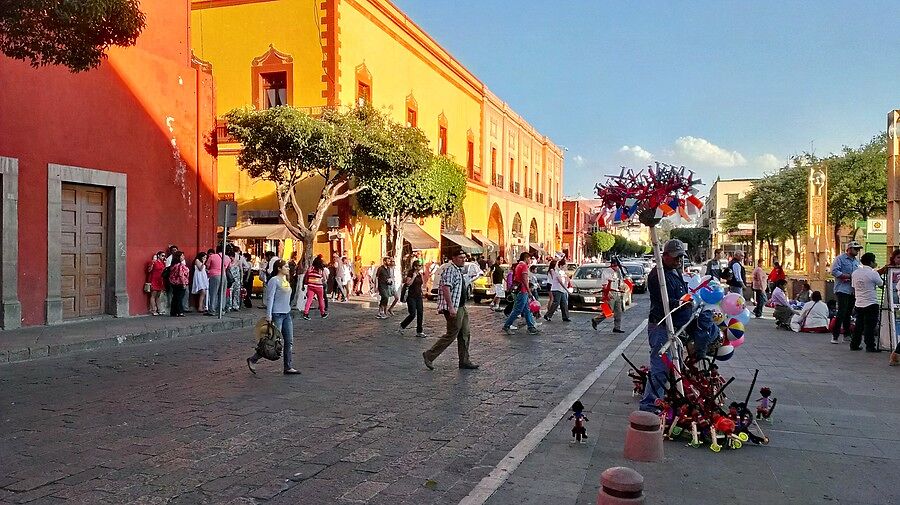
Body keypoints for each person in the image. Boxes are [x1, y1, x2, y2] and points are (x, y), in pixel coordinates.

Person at [640, 240, 691, 413]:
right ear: (665, 255)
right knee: (660, 367)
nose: (678, 261)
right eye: (676, 257)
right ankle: (649, 405)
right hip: (661, 325)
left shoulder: (674, 271)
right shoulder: (658, 275)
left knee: (674, 365)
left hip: (674, 325)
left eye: (680, 257)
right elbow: (665, 303)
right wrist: (681, 302)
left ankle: (667, 397)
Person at [422, 250, 478, 370]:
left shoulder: (458, 270)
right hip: (454, 308)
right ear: (453, 258)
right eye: (460, 257)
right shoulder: (450, 269)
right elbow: (446, 288)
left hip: (461, 306)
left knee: (465, 333)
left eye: (464, 257)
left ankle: (464, 360)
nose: (463, 259)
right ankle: (430, 355)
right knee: (452, 334)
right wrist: (451, 307)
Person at [247, 259, 300, 375]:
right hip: (277, 314)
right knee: (272, 341)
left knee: (289, 341)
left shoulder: (286, 280)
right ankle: (253, 359)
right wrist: (268, 315)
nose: (288, 268)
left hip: (286, 314)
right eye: (285, 266)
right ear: (279, 268)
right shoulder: (274, 281)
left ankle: (288, 366)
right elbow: (270, 298)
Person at [830, 241, 862, 344]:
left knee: (848, 313)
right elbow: (834, 271)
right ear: (849, 249)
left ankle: (847, 334)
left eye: (858, 249)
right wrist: (847, 276)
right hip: (842, 289)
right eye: (855, 249)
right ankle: (835, 335)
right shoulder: (840, 259)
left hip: (852, 290)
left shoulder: (857, 262)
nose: (857, 251)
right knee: (842, 312)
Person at [850, 252, 883, 352]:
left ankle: (854, 344)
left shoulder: (855, 273)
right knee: (870, 326)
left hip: (859, 303)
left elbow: (853, 287)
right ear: (871, 262)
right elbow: (881, 284)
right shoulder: (873, 273)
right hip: (871, 303)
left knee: (858, 325)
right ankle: (870, 346)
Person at [502, 252, 540, 335]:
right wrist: (529, 291)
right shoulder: (524, 266)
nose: (530, 260)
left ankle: (531, 327)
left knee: (526, 310)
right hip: (523, 291)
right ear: (526, 258)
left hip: (521, 290)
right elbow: (525, 280)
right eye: (530, 258)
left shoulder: (519, 265)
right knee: (517, 310)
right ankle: (507, 325)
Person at [592, 258, 625, 333]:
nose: (618, 268)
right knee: (609, 310)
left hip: (617, 293)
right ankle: (596, 320)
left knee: (618, 311)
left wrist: (621, 288)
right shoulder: (606, 272)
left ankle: (617, 327)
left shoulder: (617, 272)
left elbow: (619, 282)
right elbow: (604, 284)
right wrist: (608, 293)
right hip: (610, 292)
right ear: (613, 265)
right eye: (616, 266)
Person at [399, 260, 426, 337]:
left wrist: (422, 292)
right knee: (412, 314)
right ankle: (402, 325)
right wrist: (413, 276)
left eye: (421, 265)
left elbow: (420, 284)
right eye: (419, 266)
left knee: (420, 313)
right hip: (411, 296)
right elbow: (408, 283)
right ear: (415, 266)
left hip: (418, 296)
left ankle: (419, 331)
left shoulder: (419, 274)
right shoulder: (411, 273)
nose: (420, 267)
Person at [302, 255, 328, 320]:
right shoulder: (321, 270)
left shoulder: (310, 268)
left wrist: (304, 284)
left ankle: (306, 313)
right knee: (321, 299)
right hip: (319, 286)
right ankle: (323, 313)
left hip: (310, 286)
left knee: (309, 300)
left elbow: (306, 276)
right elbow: (324, 278)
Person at [167, 251, 189, 317]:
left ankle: (173, 312)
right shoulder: (180, 265)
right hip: (180, 283)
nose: (183, 257)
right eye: (182, 256)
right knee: (180, 297)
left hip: (173, 283)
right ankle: (180, 311)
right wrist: (184, 283)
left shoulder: (173, 265)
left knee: (175, 297)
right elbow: (181, 275)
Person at [146, 251, 166, 315]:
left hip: (160, 280)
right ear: (158, 256)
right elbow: (149, 270)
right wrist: (151, 265)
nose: (163, 257)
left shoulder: (163, 263)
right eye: (162, 255)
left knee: (158, 296)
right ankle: (153, 310)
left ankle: (159, 309)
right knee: (153, 295)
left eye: (164, 256)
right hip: (154, 280)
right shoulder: (154, 262)